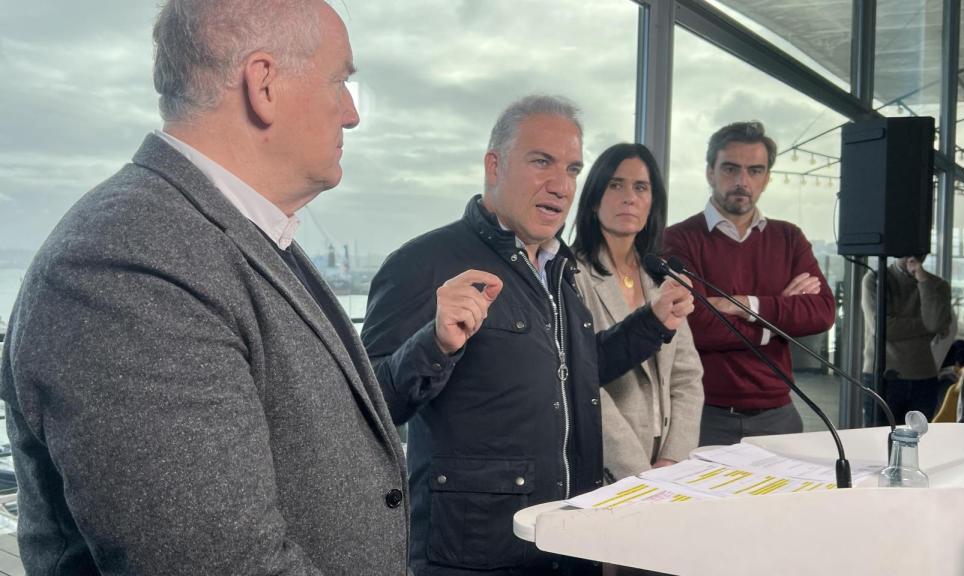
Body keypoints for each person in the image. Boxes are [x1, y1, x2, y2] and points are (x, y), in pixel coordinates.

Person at [0, 2, 408, 574]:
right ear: (263, 84)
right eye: (340, 81)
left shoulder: (234, 235)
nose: (350, 114)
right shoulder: (127, 262)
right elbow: (221, 562)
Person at [361, 95, 694, 576]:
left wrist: (653, 322)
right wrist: (434, 344)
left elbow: (580, 371)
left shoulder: (560, 269)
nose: (561, 186)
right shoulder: (421, 263)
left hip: (569, 540)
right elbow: (369, 408)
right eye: (542, 162)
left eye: (573, 169)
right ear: (493, 165)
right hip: (477, 554)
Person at [661, 121, 836, 447]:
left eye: (755, 171)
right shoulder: (679, 239)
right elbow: (695, 326)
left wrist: (744, 304)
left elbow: (823, 312)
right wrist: (777, 316)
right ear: (710, 172)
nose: (742, 181)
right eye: (730, 169)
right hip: (703, 414)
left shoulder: (789, 238)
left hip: (779, 415)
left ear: (767, 178)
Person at [570, 143, 704, 483]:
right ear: (595, 198)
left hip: (668, 462)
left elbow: (687, 376)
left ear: (652, 204)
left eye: (640, 187)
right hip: (608, 465)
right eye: (616, 185)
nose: (629, 197)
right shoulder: (573, 274)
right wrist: (637, 471)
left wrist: (675, 458)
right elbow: (583, 383)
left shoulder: (661, 278)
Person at [862, 255, 953, 422]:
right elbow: (883, 328)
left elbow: (935, 324)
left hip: (923, 375)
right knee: (879, 439)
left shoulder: (938, 286)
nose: (913, 257)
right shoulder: (875, 279)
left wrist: (923, 281)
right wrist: (928, 325)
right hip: (883, 374)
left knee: (920, 441)